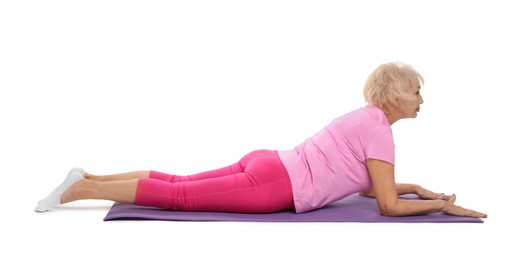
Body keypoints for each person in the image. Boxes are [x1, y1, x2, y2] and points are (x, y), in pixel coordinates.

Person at [35, 62, 487, 218]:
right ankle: (83, 190)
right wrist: (439, 206)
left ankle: (90, 175)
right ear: (394, 96)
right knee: (180, 198)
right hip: (276, 185)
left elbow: (367, 187)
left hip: (270, 161)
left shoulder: (367, 119)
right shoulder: (380, 133)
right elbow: (385, 207)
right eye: (416, 91)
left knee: (179, 181)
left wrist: (415, 187)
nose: (422, 99)